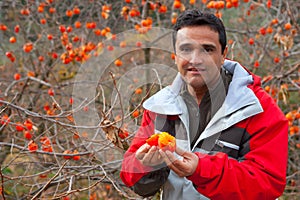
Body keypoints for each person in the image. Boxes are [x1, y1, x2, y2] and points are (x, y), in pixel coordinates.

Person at [120, 9, 288, 200]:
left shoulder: (257, 109)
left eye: (207, 49)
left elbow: (267, 184)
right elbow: (130, 174)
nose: (195, 60)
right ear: (175, 55)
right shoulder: (160, 107)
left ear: (223, 54)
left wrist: (201, 169)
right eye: (186, 49)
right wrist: (146, 166)